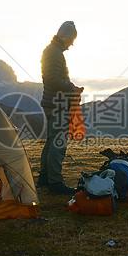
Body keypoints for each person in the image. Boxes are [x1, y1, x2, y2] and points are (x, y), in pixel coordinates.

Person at [38, 21, 82, 195]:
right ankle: (55, 182)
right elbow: (52, 79)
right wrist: (71, 87)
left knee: (51, 141)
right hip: (57, 105)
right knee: (58, 143)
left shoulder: (52, 51)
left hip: (52, 103)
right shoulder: (54, 53)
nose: (72, 44)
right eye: (72, 40)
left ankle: (44, 178)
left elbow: (52, 78)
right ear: (65, 36)